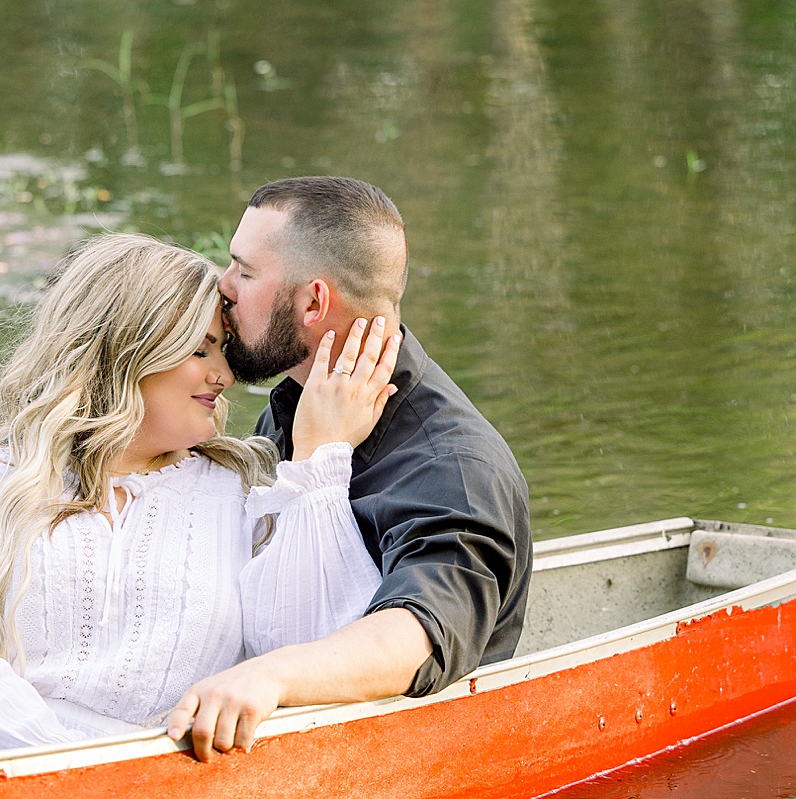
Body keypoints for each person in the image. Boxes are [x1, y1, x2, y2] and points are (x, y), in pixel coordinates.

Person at [0, 231, 402, 767]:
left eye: (223, 351)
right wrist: (73, 768)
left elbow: (311, 641)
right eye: (201, 350)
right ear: (127, 352)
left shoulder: (242, 491)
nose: (225, 375)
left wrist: (319, 460)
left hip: (161, 773)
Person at [165, 177, 532, 762]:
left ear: (313, 303)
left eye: (245, 272)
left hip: (404, 763)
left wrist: (270, 675)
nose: (222, 286)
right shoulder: (294, 403)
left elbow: (418, 634)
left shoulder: (455, 464)